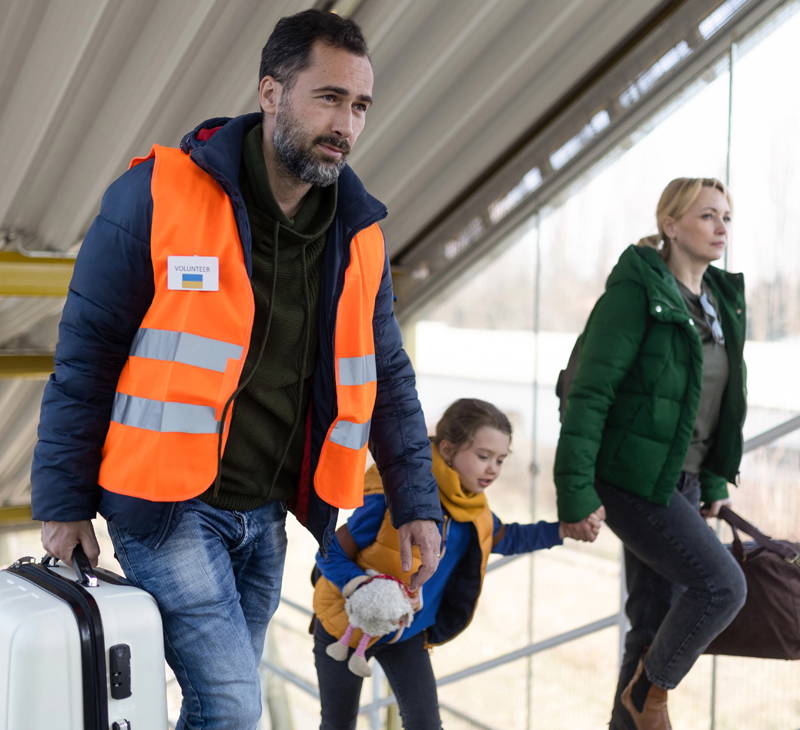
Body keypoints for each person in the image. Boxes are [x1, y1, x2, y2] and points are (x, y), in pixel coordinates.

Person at [29, 9, 443, 730]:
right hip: (166, 507)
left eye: (360, 106)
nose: (346, 124)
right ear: (271, 92)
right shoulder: (158, 194)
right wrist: (62, 503)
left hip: (267, 513)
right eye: (329, 97)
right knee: (231, 706)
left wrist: (417, 503)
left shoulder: (359, 234)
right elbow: (86, 355)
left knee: (221, 710)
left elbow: (389, 377)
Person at [554, 177, 748, 729]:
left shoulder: (720, 302)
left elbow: (715, 400)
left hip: (683, 479)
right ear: (670, 224)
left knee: (651, 622)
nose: (721, 227)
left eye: (726, 217)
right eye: (707, 215)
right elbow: (590, 393)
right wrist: (575, 492)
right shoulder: (636, 292)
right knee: (722, 586)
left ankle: (632, 712)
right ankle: (649, 694)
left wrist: (713, 481)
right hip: (632, 477)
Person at [312, 397, 603, 729]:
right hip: (344, 625)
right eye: (483, 456)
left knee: (426, 724)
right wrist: (361, 584)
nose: (493, 469)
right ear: (448, 450)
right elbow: (329, 552)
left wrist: (562, 530)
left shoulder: (475, 512)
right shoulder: (395, 497)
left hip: (408, 631)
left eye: (501, 460)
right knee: (338, 724)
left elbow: (506, 538)